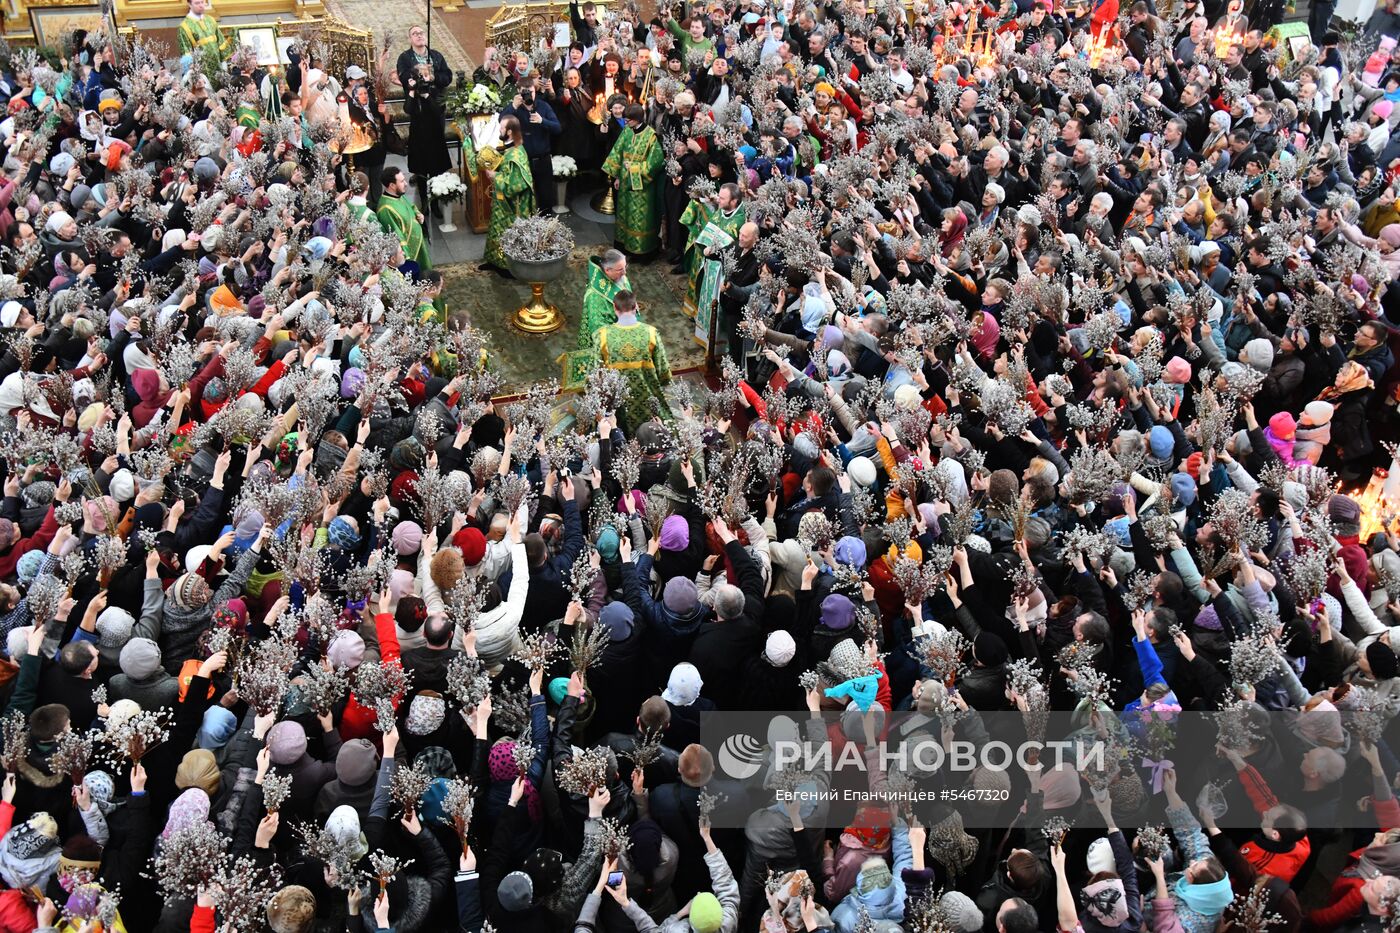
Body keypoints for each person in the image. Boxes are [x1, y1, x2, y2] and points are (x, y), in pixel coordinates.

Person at [394, 24, 452, 220]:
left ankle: (435, 200)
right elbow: (403, 76)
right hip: (418, 114)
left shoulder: (436, 56)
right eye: (414, 34)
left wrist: (433, 77)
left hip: (435, 109)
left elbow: (447, 76)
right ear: (410, 39)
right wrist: (413, 83)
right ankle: (422, 198)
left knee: (436, 159)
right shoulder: (405, 58)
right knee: (420, 160)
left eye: (421, 33)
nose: (418, 36)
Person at [592, 289, 671, 429]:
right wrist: (663, 381)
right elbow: (663, 368)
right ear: (636, 307)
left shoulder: (601, 335)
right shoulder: (651, 332)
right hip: (646, 394)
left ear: (614, 308)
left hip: (616, 397)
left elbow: (594, 372)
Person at [602, 103, 664, 260]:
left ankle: (640, 252)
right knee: (624, 215)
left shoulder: (651, 136)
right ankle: (625, 247)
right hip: (624, 182)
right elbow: (617, 152)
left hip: (642, 185)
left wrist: (634, 167)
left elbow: (656, 163)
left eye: (628, 120)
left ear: (637, 119)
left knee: (639, 219)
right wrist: (615, 176)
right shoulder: (627, 131)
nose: (626, 122)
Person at [482, 114, 538, 274]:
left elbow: (515, 185)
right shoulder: (510, 148)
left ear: (510, 132)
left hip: (514, 206)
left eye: (501, 128)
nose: (499, 130)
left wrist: (495, 176)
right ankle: (494, 261)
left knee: (509, 235)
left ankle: (508, 268)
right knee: (497, 230)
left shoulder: (517, 155)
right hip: (503, 203)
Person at [501, 76, 562, 213]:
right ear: (518, 92)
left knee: (546, 198)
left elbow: (557, 128)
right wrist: (513, 106)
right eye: (525, 92)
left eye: (532, 92)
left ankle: (546, 227)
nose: (529, 95)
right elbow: (502, 122)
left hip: (543, 159)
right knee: (523, 198)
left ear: (535, 91)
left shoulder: (543, 106)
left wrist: (542, 121)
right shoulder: (515, 109)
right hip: (523, 161)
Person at [577, 249, 635, 349]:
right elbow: (598, 327)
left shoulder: (621, 277)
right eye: (620, 269)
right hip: (612, 340)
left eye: (625, 267)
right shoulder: (595, 296)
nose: (625, 273)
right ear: (608, 270)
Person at [378, 165, 431, 270]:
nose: (406, 184)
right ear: (392, 185)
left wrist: (418, 214)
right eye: (402, 181)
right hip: (410, 252)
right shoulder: (386, 209)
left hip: (419, 243)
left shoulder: (398, 195)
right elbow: (397, 237)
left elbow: (410, 207)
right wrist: (408, 259)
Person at [178, 0, 231, 66]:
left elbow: (220, 41)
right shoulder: (184, 26)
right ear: (189, 4)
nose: (201, 5)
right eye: (197, 3)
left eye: (202, 2)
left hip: (218, 65)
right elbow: (186, 52)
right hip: (201, 69)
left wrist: (224, 62)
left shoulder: (210, 20)